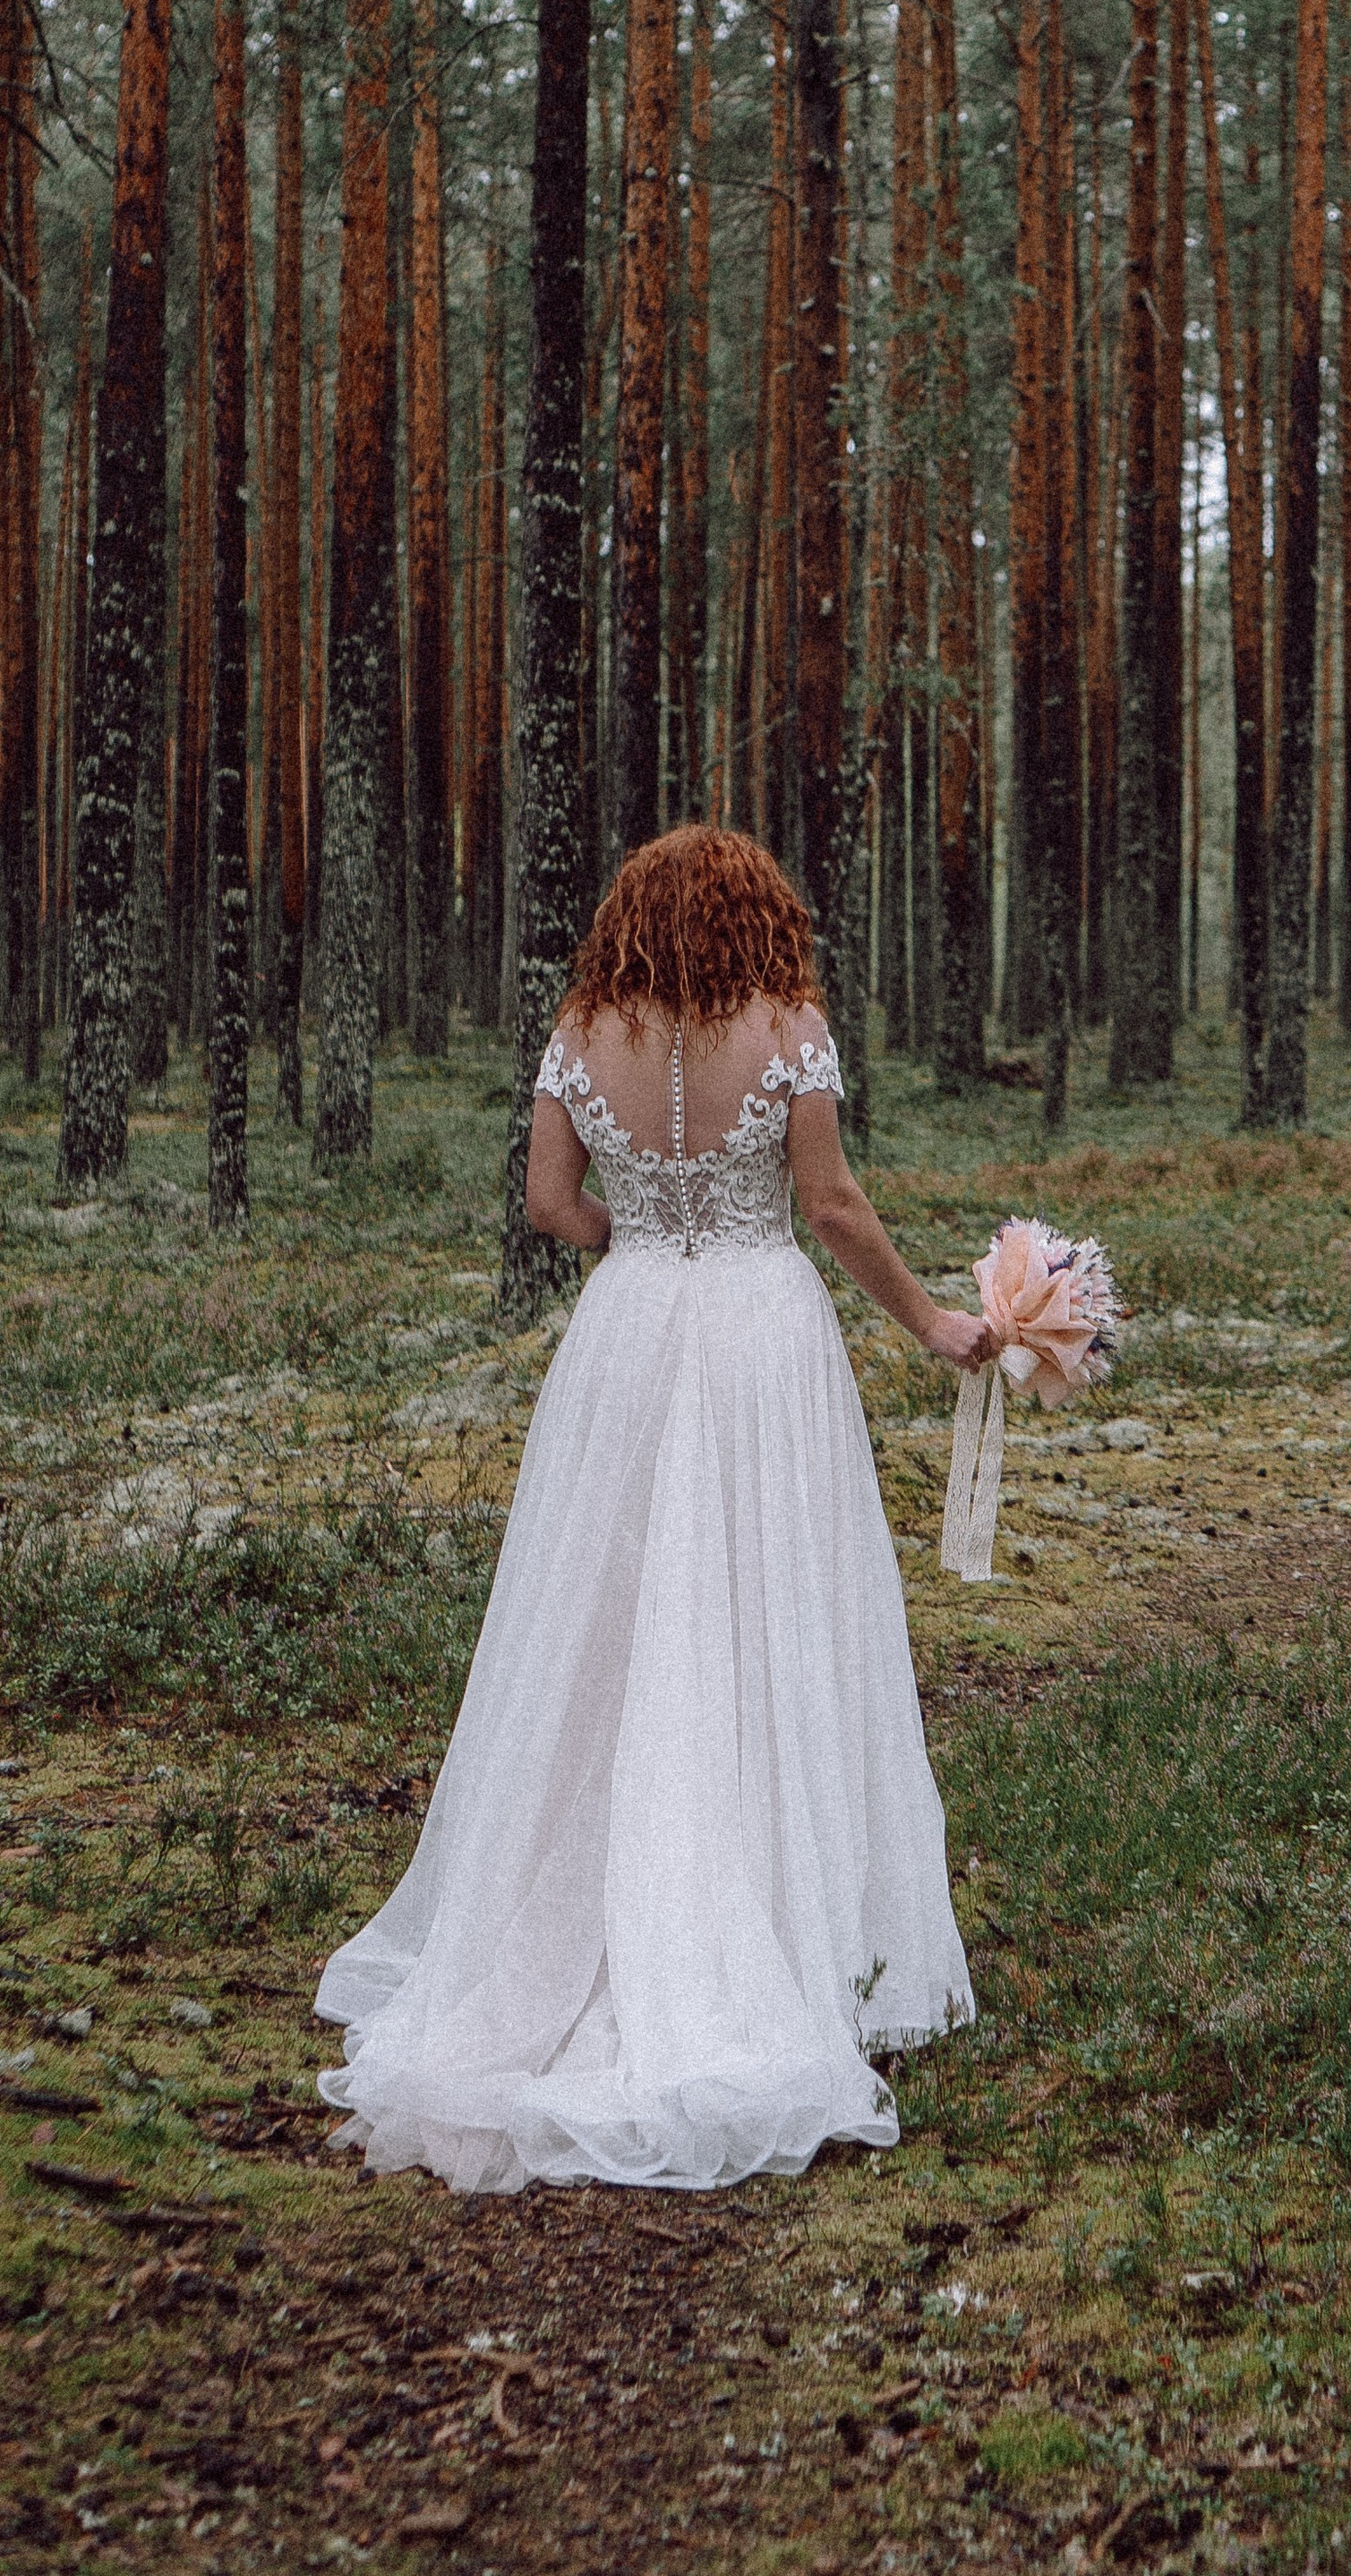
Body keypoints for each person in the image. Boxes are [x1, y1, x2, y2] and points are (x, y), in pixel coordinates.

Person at [314, 825, 994, 2195]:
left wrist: (640, 1241)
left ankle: (571, 1920)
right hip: (756, 1334)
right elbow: (832, 1203)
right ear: (757, 916)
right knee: (765, 1605)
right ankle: (783, 1921)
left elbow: (550, 1205)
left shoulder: (582, 1032)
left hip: (627, 1340)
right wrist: (931, 1321)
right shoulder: (788, 1023)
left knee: (608, 1620)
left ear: (631, 916)